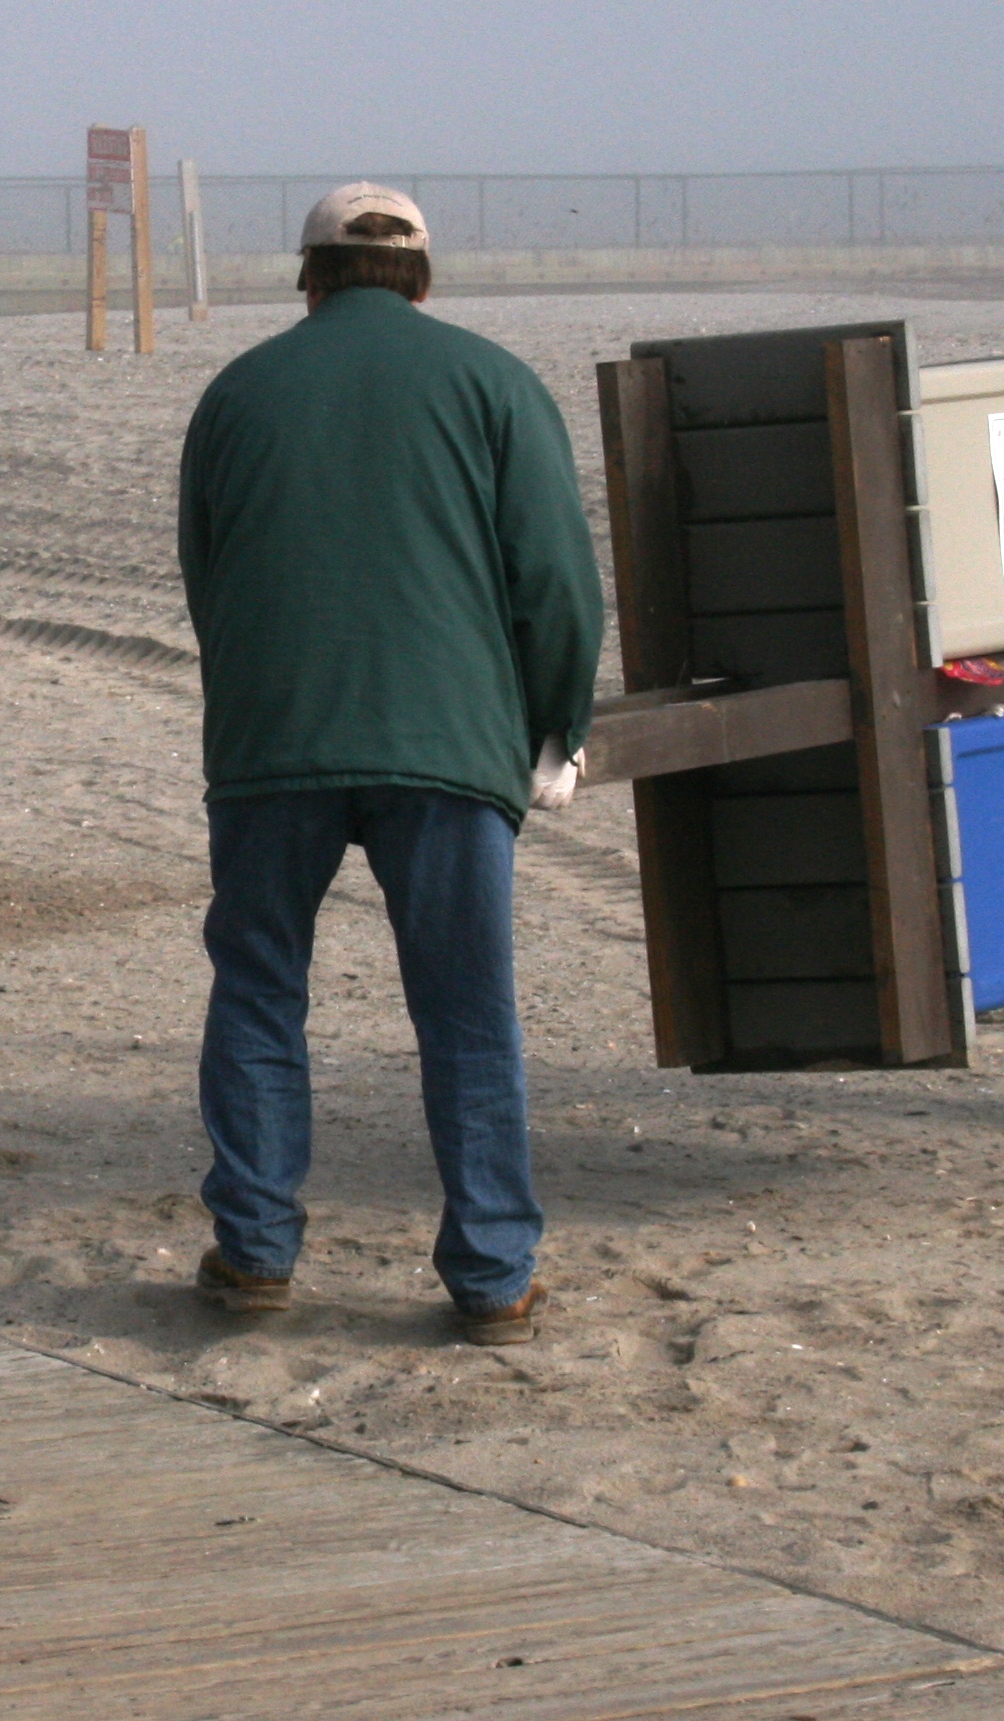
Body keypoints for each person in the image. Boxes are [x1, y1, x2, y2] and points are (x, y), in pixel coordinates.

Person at [173, 185, 604, 1346]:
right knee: (467, 1009)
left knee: (259, 989)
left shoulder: (239, 391)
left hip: (274, 744)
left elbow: (208, 579)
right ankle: (492, 1275)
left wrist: (260, 705)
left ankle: (255, 1250)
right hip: (449, 747)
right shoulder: (495, 383)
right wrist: (553, 725)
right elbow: (556, 581)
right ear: (423, 281)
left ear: (306, 277)